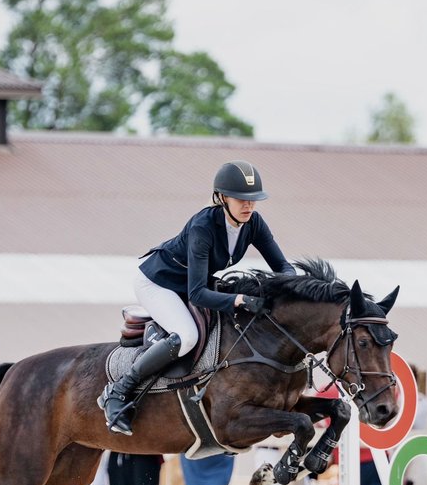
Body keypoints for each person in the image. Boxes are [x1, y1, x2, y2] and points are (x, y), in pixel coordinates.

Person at [100, 160, 295, 435]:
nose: (248, 206)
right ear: (222, 197)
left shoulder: (254, 223)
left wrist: (299, 287)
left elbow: (283, 266)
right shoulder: (203, 226)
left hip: (191, 284)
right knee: (187, 336)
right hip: (158, 284)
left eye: (253, 200)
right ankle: (118, 392)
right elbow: (198, 294)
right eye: (241, 199)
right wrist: (238, 300)